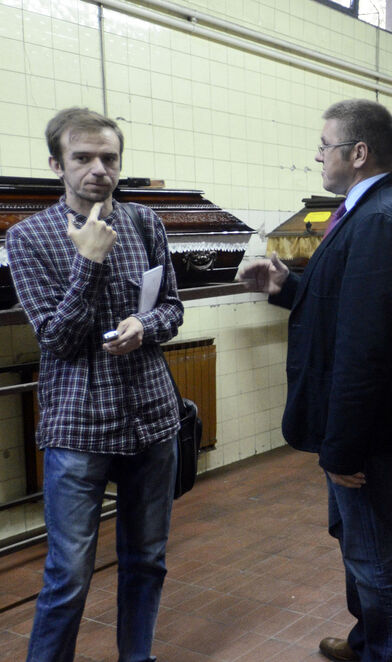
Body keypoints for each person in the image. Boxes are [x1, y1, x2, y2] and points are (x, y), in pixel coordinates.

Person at [236, 99, 392, 662]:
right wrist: (287, 286)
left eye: (324, 146)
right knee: (356, 541)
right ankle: (367, 641)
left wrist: (344, 447)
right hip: (355, 423)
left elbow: (366, 346)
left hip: (361, 428)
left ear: (358, 152)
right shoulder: (369, 208)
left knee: (373, 552)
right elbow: (344, 305)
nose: (318, 155)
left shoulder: (378, 218)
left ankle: (386, 654)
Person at [7, 108, 183, 662]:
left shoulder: (144, 223)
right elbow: (56, 340)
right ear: (56, 165)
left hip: (152, 420)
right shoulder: (28, 238)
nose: (98, 169)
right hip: (78, 430)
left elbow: (172, 309)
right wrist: (88, 262)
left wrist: (145, 325)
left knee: (147, 560)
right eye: (82, 158)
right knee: (68, 575)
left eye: (109, 158)